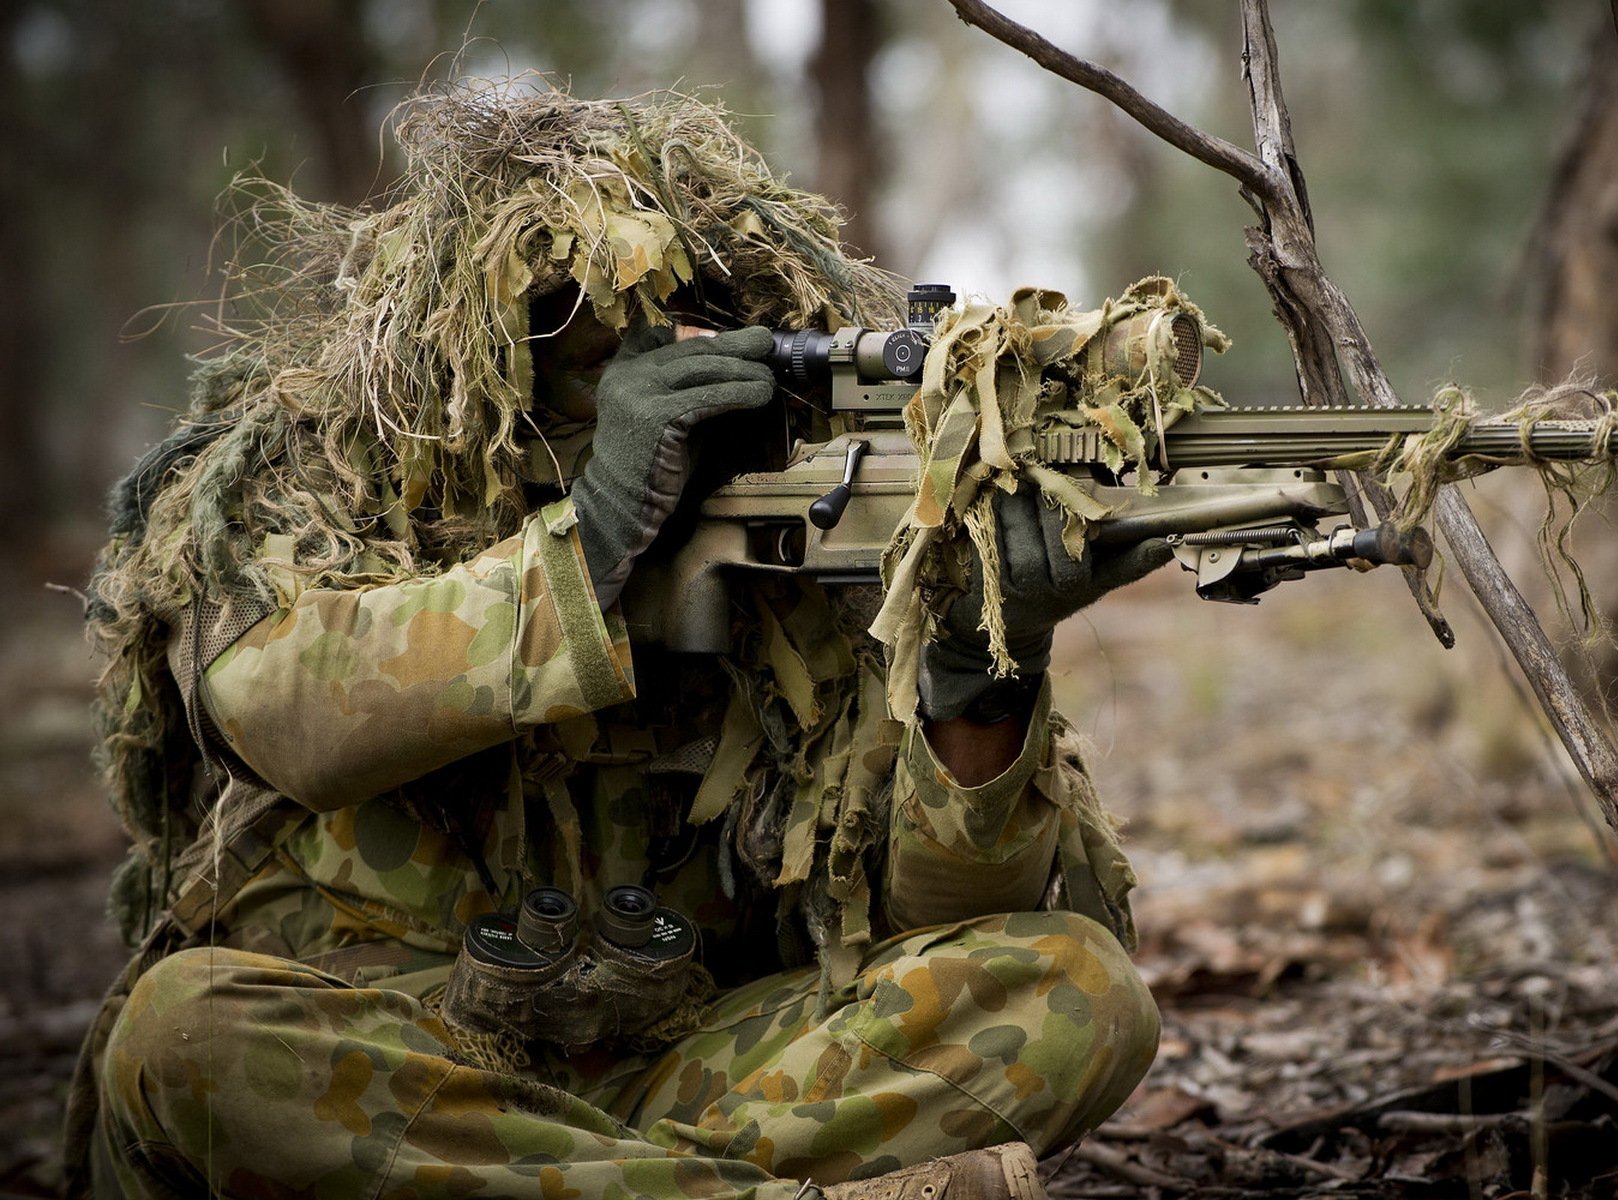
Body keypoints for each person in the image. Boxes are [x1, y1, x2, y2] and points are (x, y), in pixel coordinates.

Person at [70, 85, 1167, 1199]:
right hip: (400, 1066)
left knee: (1076, 989)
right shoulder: (312, 473)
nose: (634, 365)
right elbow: (291, 713)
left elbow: (931, 927)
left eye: (691, 320)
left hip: (687, 1070)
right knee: (183, 1039)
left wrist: (979, 673)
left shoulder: (802, 518)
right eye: (560, 329)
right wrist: (592, 536)